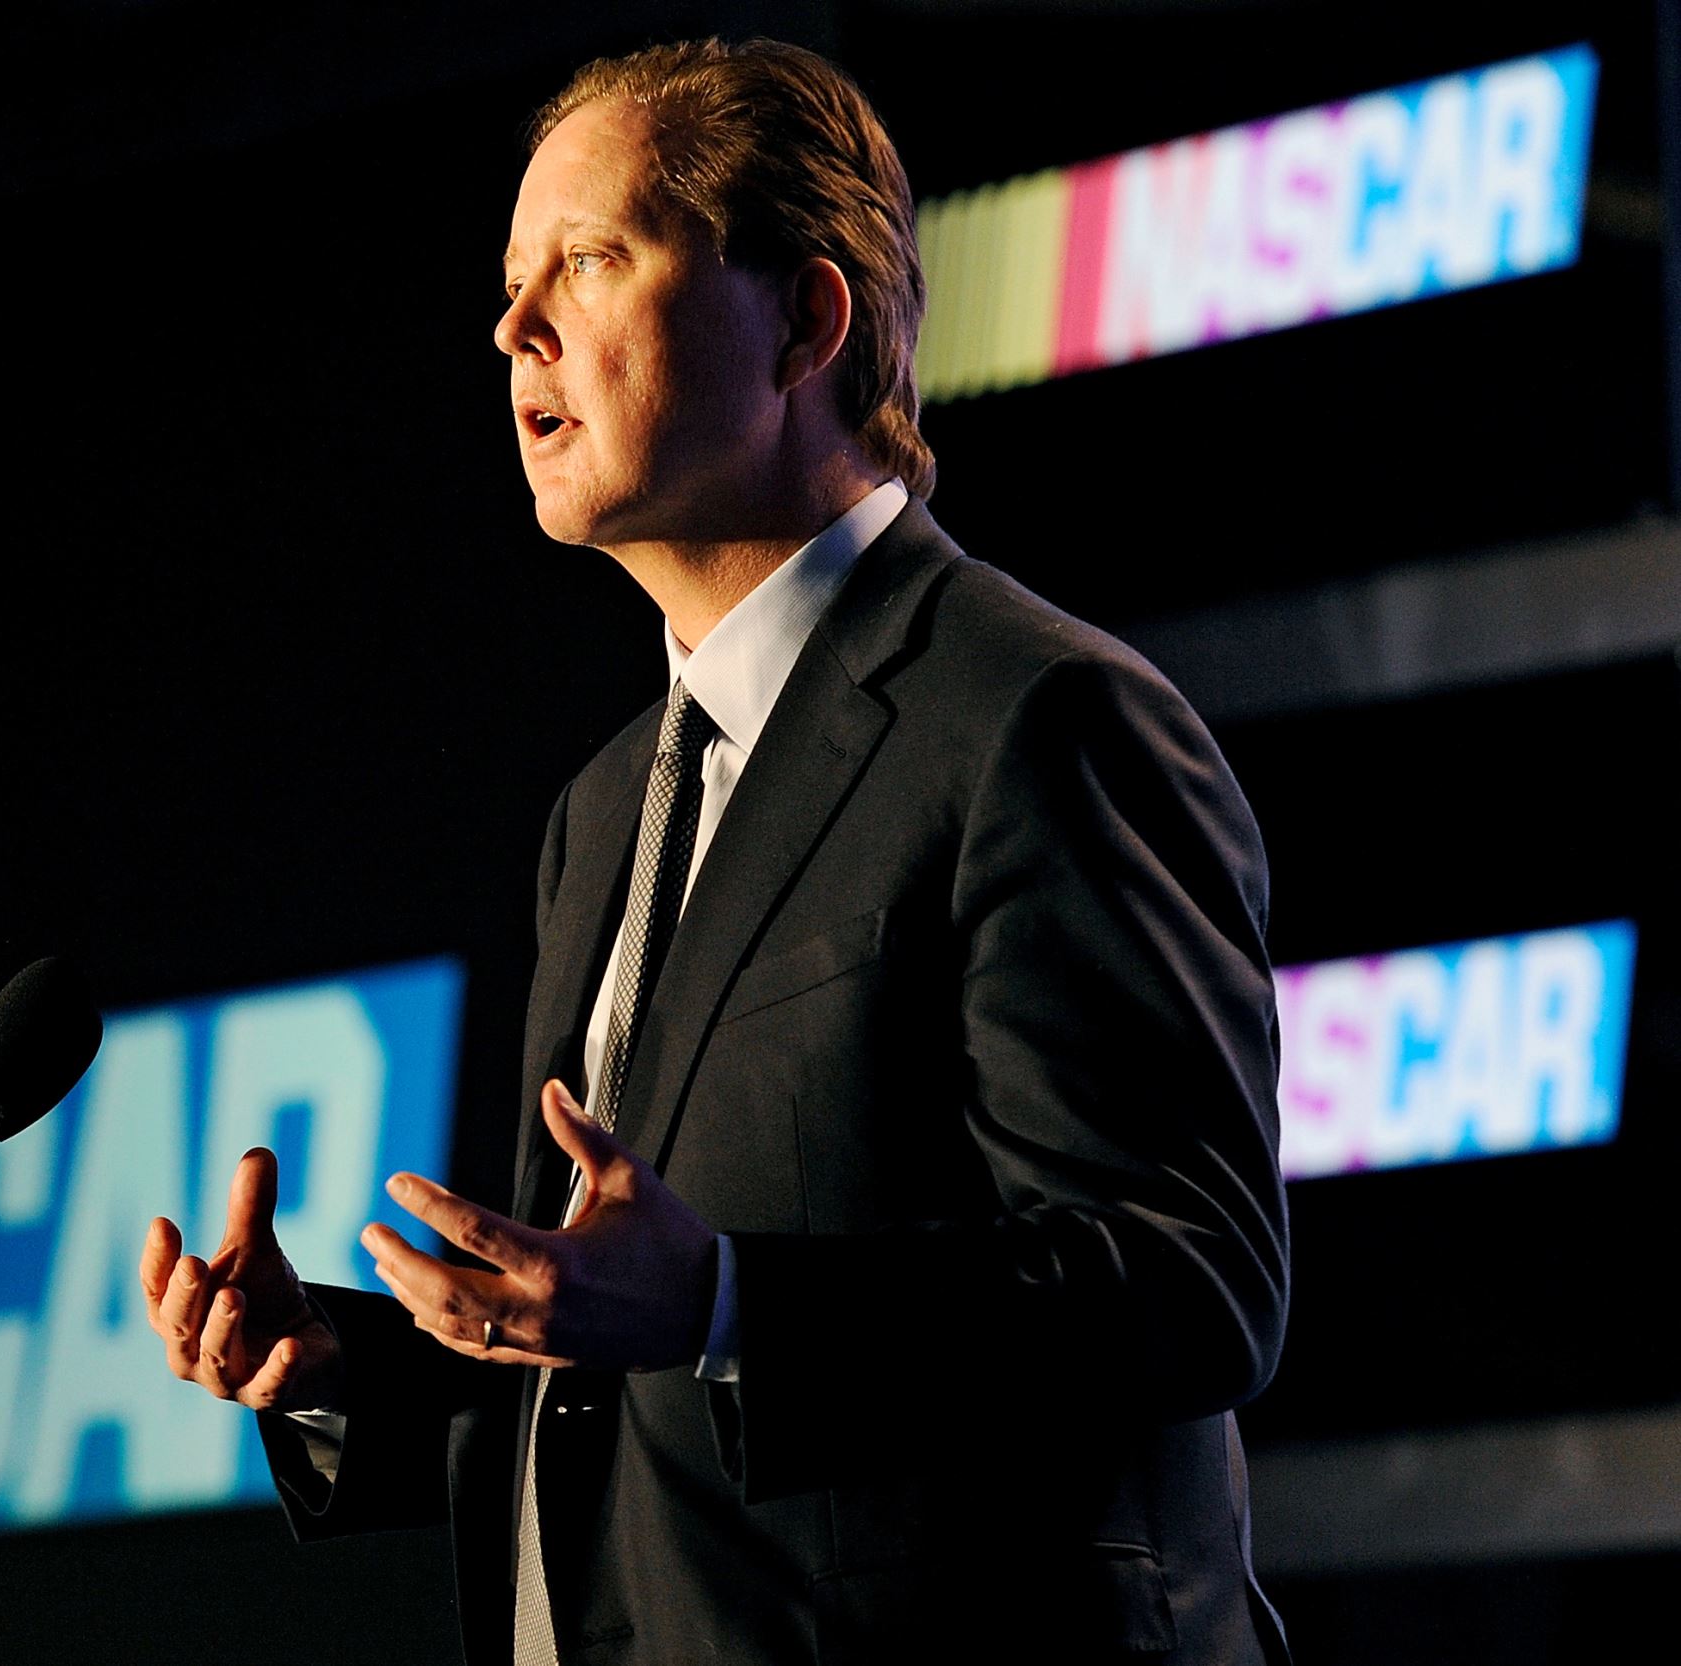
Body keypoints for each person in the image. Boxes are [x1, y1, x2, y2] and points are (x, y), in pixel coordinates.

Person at [138, 36, 1291, 1665]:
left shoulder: (1040, 720)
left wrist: (734, 1304)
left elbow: (1192, 1281)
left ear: (807, 323)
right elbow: (609, 1365)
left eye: (590, 260)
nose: (513, 326)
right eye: (513, 276)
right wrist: (337, 1365)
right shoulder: (605, 811)